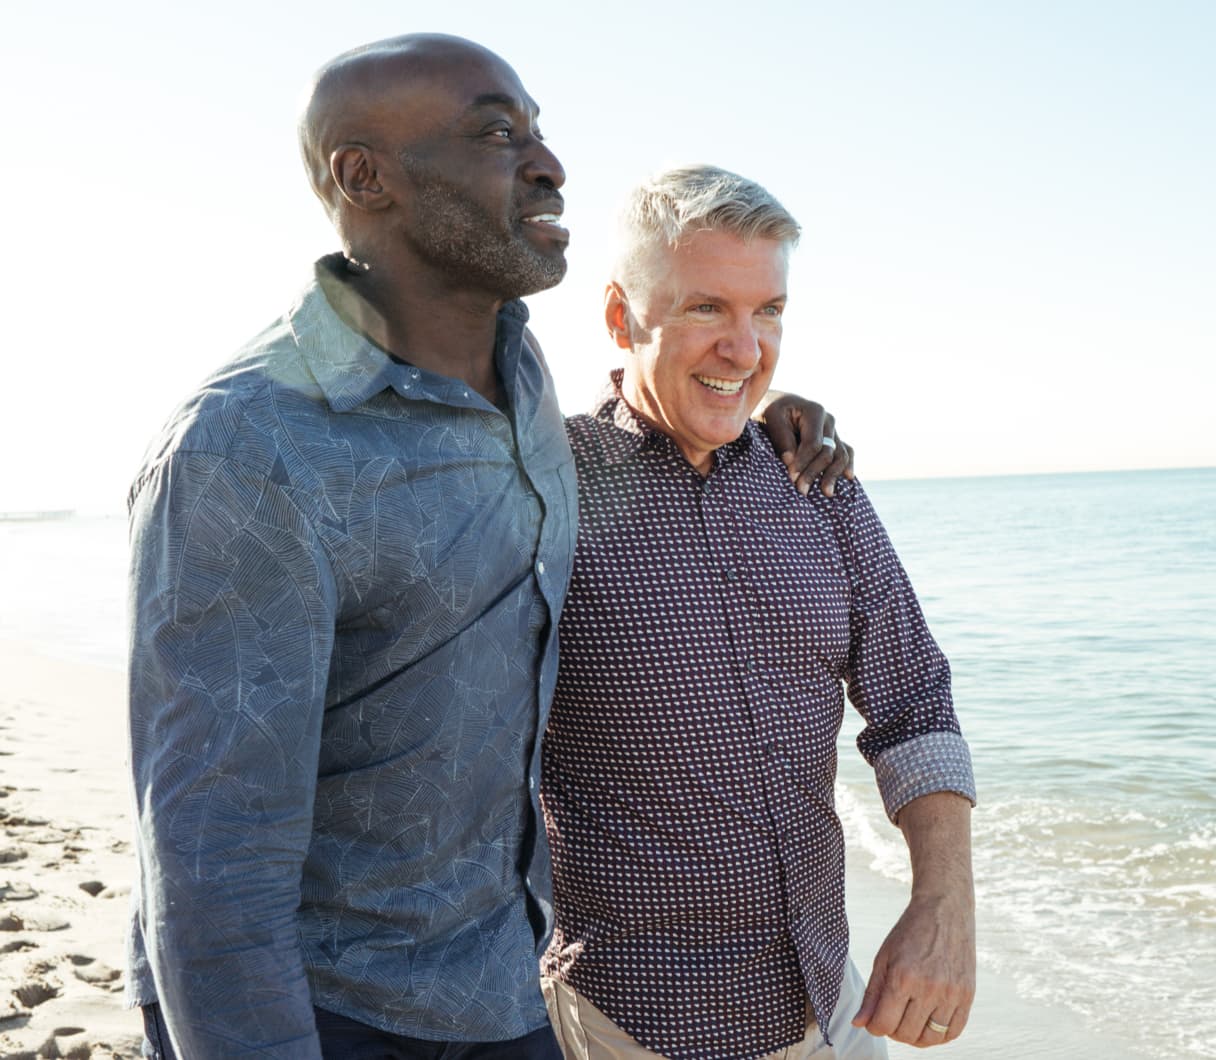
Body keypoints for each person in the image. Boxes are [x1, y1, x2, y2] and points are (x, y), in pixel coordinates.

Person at [125, 37, 846, 1059]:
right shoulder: (249, 448)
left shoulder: (524, 387)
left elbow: (655, 422)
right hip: (326, 1013)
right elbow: (211, 865)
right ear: (363, 176)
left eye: (540, 130)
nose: (548, 163)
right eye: (497, 133)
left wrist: (772, 415)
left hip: (507, 988)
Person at [539, 166, 977, 1060]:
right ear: (623, 318)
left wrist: (943, 907)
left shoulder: (816, 485)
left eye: (767, 311)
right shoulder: (545, 490)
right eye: (707, 309)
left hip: (829, 1005)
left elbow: (914, 704)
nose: (745, 349)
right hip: (628, 1023)